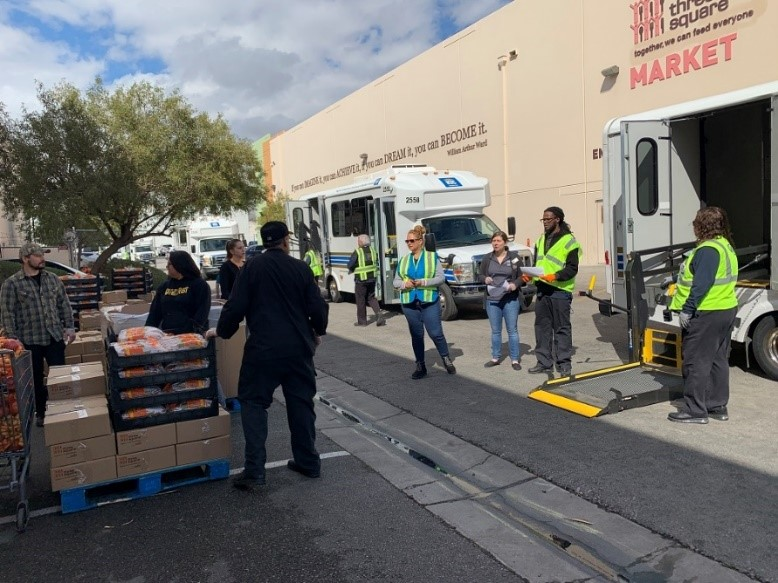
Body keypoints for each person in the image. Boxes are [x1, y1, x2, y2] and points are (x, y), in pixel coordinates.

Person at [213, 221, 328, 490]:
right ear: (286, 240)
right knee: (301, 404)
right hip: (298, 349)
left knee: (253, 403)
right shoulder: (300, 267)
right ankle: (308, 462)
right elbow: (318, 306)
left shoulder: (251, 268)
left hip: (262, 349)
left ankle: (255, 472)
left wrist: (223, 331)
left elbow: (236, 305)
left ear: (265, 242)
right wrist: (317, 330)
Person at [667, 207, 738, 424]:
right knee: (717, 360)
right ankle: (716, 406)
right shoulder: (725, 246)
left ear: (700, 226)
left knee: (695, 362)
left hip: (705, 312)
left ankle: (694, 410)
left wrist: (688, 309)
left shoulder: (707, 250)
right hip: (725, 309)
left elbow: (702, 284)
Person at [0, 243, 76, 426]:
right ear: (26, 258)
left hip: (54, 336)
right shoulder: (12, 284)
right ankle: (41, 413)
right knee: (34, 378)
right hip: (29, 340)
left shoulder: (53, 279)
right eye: (37, 255)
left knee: (60, 376)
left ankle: (63, 410)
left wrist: (70, 327)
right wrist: (13, 339)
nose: (42, 258)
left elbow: (63, 304)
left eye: (43, 254)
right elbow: (7, 313)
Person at [393, 224, 456, 379]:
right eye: (407, 241)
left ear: (420, 241)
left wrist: (424, 282)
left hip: (429, 300)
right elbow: (395, 282)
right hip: (409, 303)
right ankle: (420, 366)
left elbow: (441, 278)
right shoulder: (404, 260)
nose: (409, 243)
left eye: (412, 241)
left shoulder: (431, 257)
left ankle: (445, 358)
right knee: (416, 335)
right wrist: (404, 284)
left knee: (435, 333)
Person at [524, 206, 581, 377]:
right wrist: (530, 277)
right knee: (542, 328)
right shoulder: (541, 240)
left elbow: (572, 269)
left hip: (560, 291)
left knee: (562, 328)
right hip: (542, 290)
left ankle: (564, 364)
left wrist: (555, 276)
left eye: (548, 219)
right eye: (543, 219)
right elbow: (538, 264)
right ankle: (544, 362)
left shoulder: (569, 241)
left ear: (558, 219)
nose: (545, 222)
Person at [479, 231, 523, 370]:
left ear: (505, 242)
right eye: (493, 241)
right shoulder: (487, 258)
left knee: (512, 330)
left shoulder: (514, 258)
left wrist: (515, 284)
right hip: (492, 299)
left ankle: (515, 359)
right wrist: (485, 279)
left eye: (498, 241)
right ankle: (495, 357)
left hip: (510, 298)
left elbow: (522, 276)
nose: (495, 243)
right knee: (496, 331)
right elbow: (480, 274)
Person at [146, 251, 211, 334]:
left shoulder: (199, 285)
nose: (166, 266)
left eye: (169, 264)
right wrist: (148, 332)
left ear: (179, 265)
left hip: (192, 336)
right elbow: (154, 314)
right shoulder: (164, 286)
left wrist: (185, 331)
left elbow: (202, 314)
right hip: (167, 335)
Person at [347, 234, 386, 327]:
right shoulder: (373, 251)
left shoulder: (358, 252)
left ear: (360, 242)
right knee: (371, 297)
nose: (357, 243)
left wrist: (353, 268)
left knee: (360, 299)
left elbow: (350, 264)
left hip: (361, 280)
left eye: (358, 241)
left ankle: (362, 322)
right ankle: (379, 314)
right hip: (372, 278)